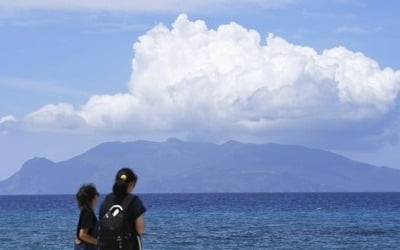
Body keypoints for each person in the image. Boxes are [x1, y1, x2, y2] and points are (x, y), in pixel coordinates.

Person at [99, 168, 146, 250]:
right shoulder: (134, 201)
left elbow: (101, 222)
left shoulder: (106, 200)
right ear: (131, 184)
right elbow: (140, 229)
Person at [75, 183, 100, 250]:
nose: (98, 196)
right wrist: (99, 243)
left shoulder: (85, 211)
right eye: (96, 194)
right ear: (92, 198)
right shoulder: (88, 213)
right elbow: (82, 235)